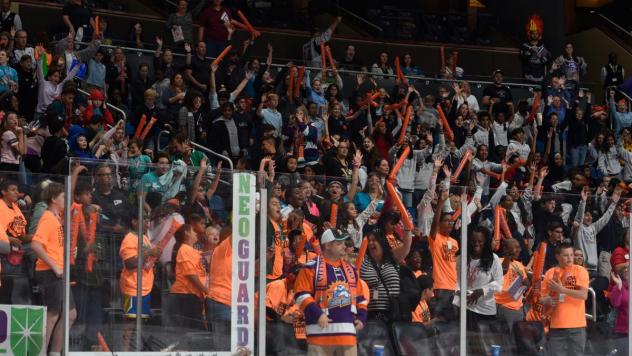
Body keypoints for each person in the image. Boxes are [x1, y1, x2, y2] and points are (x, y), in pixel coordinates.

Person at [294, 228, 367, 355]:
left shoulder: (351, 270)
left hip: (348, 336)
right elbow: (301, 295)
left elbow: (360, 298)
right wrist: (318, 314)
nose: (344, 246)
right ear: (327, 245)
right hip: (319, 335)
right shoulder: (310, 268)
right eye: (339, 243)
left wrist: (361, 318)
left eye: (344, 243)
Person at [31, 182, 77, 356]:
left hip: (58, 271)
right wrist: (55, 266)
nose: (66, 199)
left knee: (70, 314)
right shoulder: (48, 217)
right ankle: (42, 353)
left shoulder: (56, 218)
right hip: (50, 271)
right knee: (53, 314)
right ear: (53, 198)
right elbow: (35, 245)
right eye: (63, 196)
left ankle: (55, 352)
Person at [453, 226, 502, 355]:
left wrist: (481, 291)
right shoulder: (461, 258)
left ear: (485, 242)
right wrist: (458, 291)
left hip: (486, 310)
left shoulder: (494, 259)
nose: (476, 244)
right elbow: (457, 279)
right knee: (472, 347)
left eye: (480, 241)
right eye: (474, 241)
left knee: (488, 347)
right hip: (467, 308)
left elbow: (499, 284)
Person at [118, 212, 160, 351]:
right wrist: (149, 253)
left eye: (148, 220)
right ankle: (125, 351)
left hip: (144, 286)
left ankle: (135, 350)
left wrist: (154, 256)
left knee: (140, 321)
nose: (147, 223)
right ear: (134, 222)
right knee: (129, 322)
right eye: (144, 219)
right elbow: (130, 263)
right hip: (132, 286)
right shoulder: (129, 239)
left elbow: (146, 261)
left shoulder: (144, 238)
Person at [540, 242, 589, 355]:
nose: (570, 258)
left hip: (577, 325)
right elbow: (540, 298)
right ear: (558, 256)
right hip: (556, 326)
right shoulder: (550, 273)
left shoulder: (580, 270)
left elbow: (583, 295)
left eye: (571, 255)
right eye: (566, 255)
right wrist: (547, 300)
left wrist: (562, 290)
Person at [169, 224, 207, 330]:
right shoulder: (184, 250)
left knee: (195, 329)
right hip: (186, 294)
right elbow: (190, 274)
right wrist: (205, 290)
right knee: (195, 330)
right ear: (186, 233)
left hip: (192, 294)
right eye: (193, 231)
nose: (196, 233)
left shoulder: (192, 250)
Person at [609, 265, 629, 356]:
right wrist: (619, 287)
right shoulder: (618, 287)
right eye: (626, 270)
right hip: (623, 331)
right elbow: (615, 304)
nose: (628, 271)